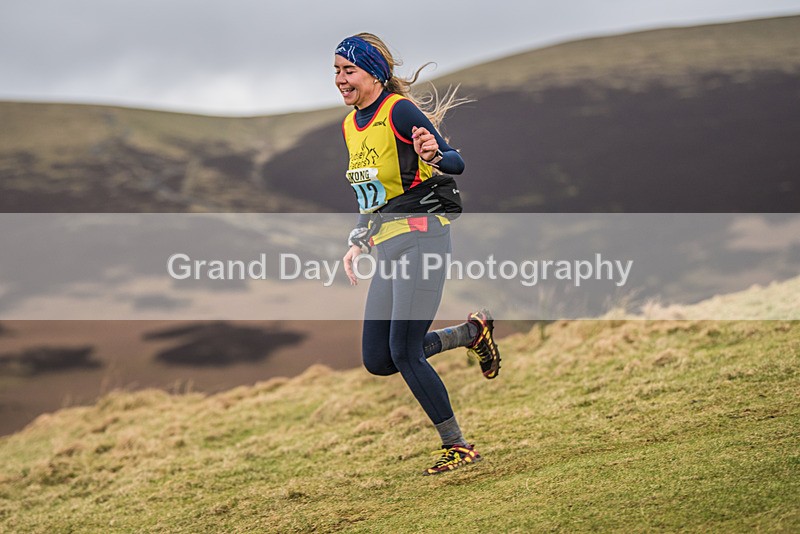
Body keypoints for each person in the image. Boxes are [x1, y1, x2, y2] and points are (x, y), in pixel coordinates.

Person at [334, 33, 501, 475]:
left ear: (374, 73)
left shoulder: (399, 111)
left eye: (349, 70)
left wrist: (435, 154)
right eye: (336, 71)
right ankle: (471, 334)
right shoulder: (350, 126)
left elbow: (455, 162)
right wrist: (358, 238)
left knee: (405, 351)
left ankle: (458, 446)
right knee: (379, 359)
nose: (341, 79)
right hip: (387, 245)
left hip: (423, 239)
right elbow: (371, 195)